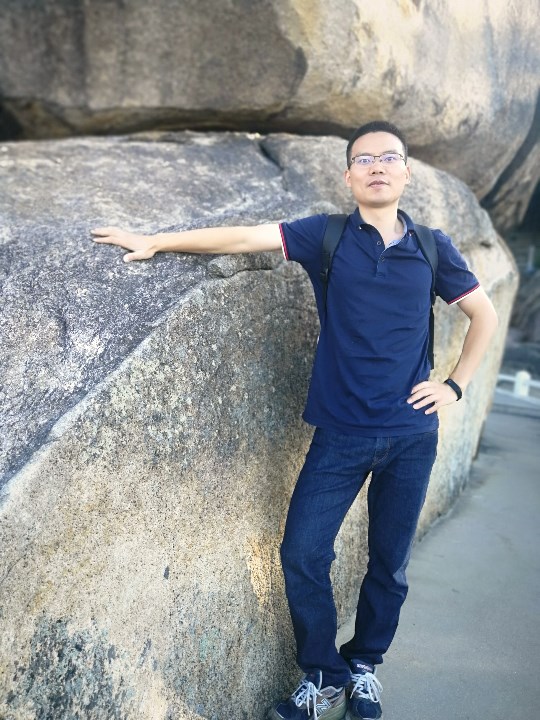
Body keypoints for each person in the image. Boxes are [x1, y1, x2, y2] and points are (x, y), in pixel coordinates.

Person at [92, 120, 498, 720]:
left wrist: (454, 386)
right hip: (340, 435)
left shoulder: (432, 248)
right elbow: (244, 238)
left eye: (389, 157)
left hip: (412, 436)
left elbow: (483, 316)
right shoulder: (326, 235)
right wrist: (157, 240)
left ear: (407, 172)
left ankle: (364, 665)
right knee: (302, 553)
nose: (377, 166)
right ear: (349, 175)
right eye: (364, 159)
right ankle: (325, 672)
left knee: (389, 563)